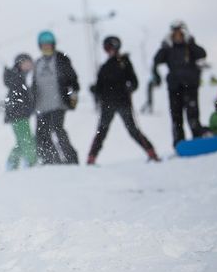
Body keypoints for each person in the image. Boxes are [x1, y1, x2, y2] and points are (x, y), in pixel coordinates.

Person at [87, 36, 160, 164]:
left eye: (112, 47)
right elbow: (99, 87)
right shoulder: (104, 67)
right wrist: (94, 90)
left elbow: (134, 82)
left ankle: (151, 152)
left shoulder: (124, 62)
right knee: (102, 131)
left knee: (132, 130)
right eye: (108, 48)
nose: (110, 50)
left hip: (123, 102)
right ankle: (91, 158)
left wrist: (130, 86)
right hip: (108, 104)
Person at [151, 20, 207, 146]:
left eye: (180, 34)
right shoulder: (168, 49)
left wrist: (191, 43)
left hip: (190, 86)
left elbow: (202, 54)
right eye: (174, 34)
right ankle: (179, 142)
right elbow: (157, 59)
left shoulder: (190, 47)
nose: (177, 37)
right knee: (176, 116)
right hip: (174, 87)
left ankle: (198, 139)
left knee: (192, 114)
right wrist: (164, 46)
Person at [32, 30, 80, 164]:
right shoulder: (38, 63)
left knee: (57, 130)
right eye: (43, 45)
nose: (46, 47)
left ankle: (71, 159)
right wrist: (32, 102)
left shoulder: (61, 59)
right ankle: (51, 160)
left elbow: (73, 79)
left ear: (53, 45)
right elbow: (34, 85)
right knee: (41, 135)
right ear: (40, 46)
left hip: (58, 104)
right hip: (41, 106)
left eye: (48, 44)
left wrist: (73, 95)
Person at [3, 53, 37, 170]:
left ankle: (11, 164)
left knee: (21, 141)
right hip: (18, 115)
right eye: (27, 63)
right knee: (27, 140)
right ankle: (32, 163)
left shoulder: (19, 77)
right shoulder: (16, 77)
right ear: (20, 63)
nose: (30, 66)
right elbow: (19, 97)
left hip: (18, 115)